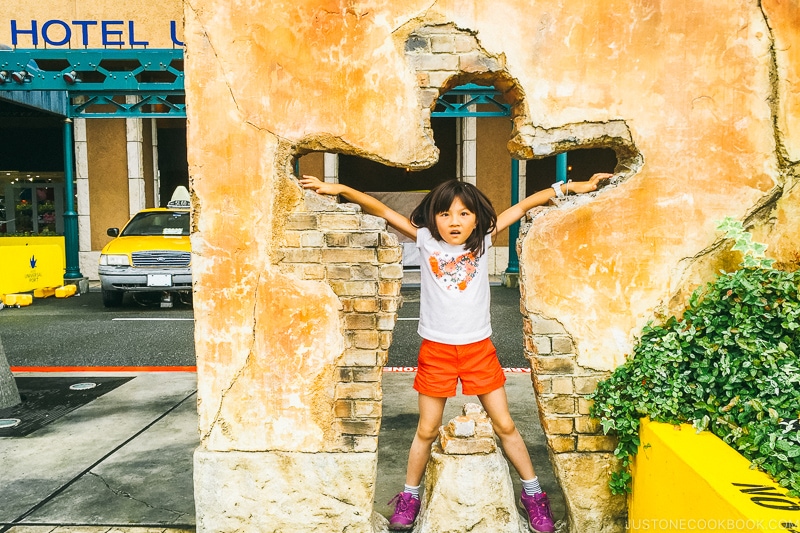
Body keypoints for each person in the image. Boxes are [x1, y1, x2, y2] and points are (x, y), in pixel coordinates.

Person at [300, 172, 611, 533]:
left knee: (506, 425)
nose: (454, 221)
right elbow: (384, 210)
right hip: (437, 350)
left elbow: (526, 203)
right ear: (433, 217)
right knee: (427, 430)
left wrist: (571, 187)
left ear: (478, 218)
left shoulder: (483, 241)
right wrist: (341, 189)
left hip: (479, 349)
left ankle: (534, 496)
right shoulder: (426, 239)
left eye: (464, 214)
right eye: (445, 214)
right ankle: (410, 496)